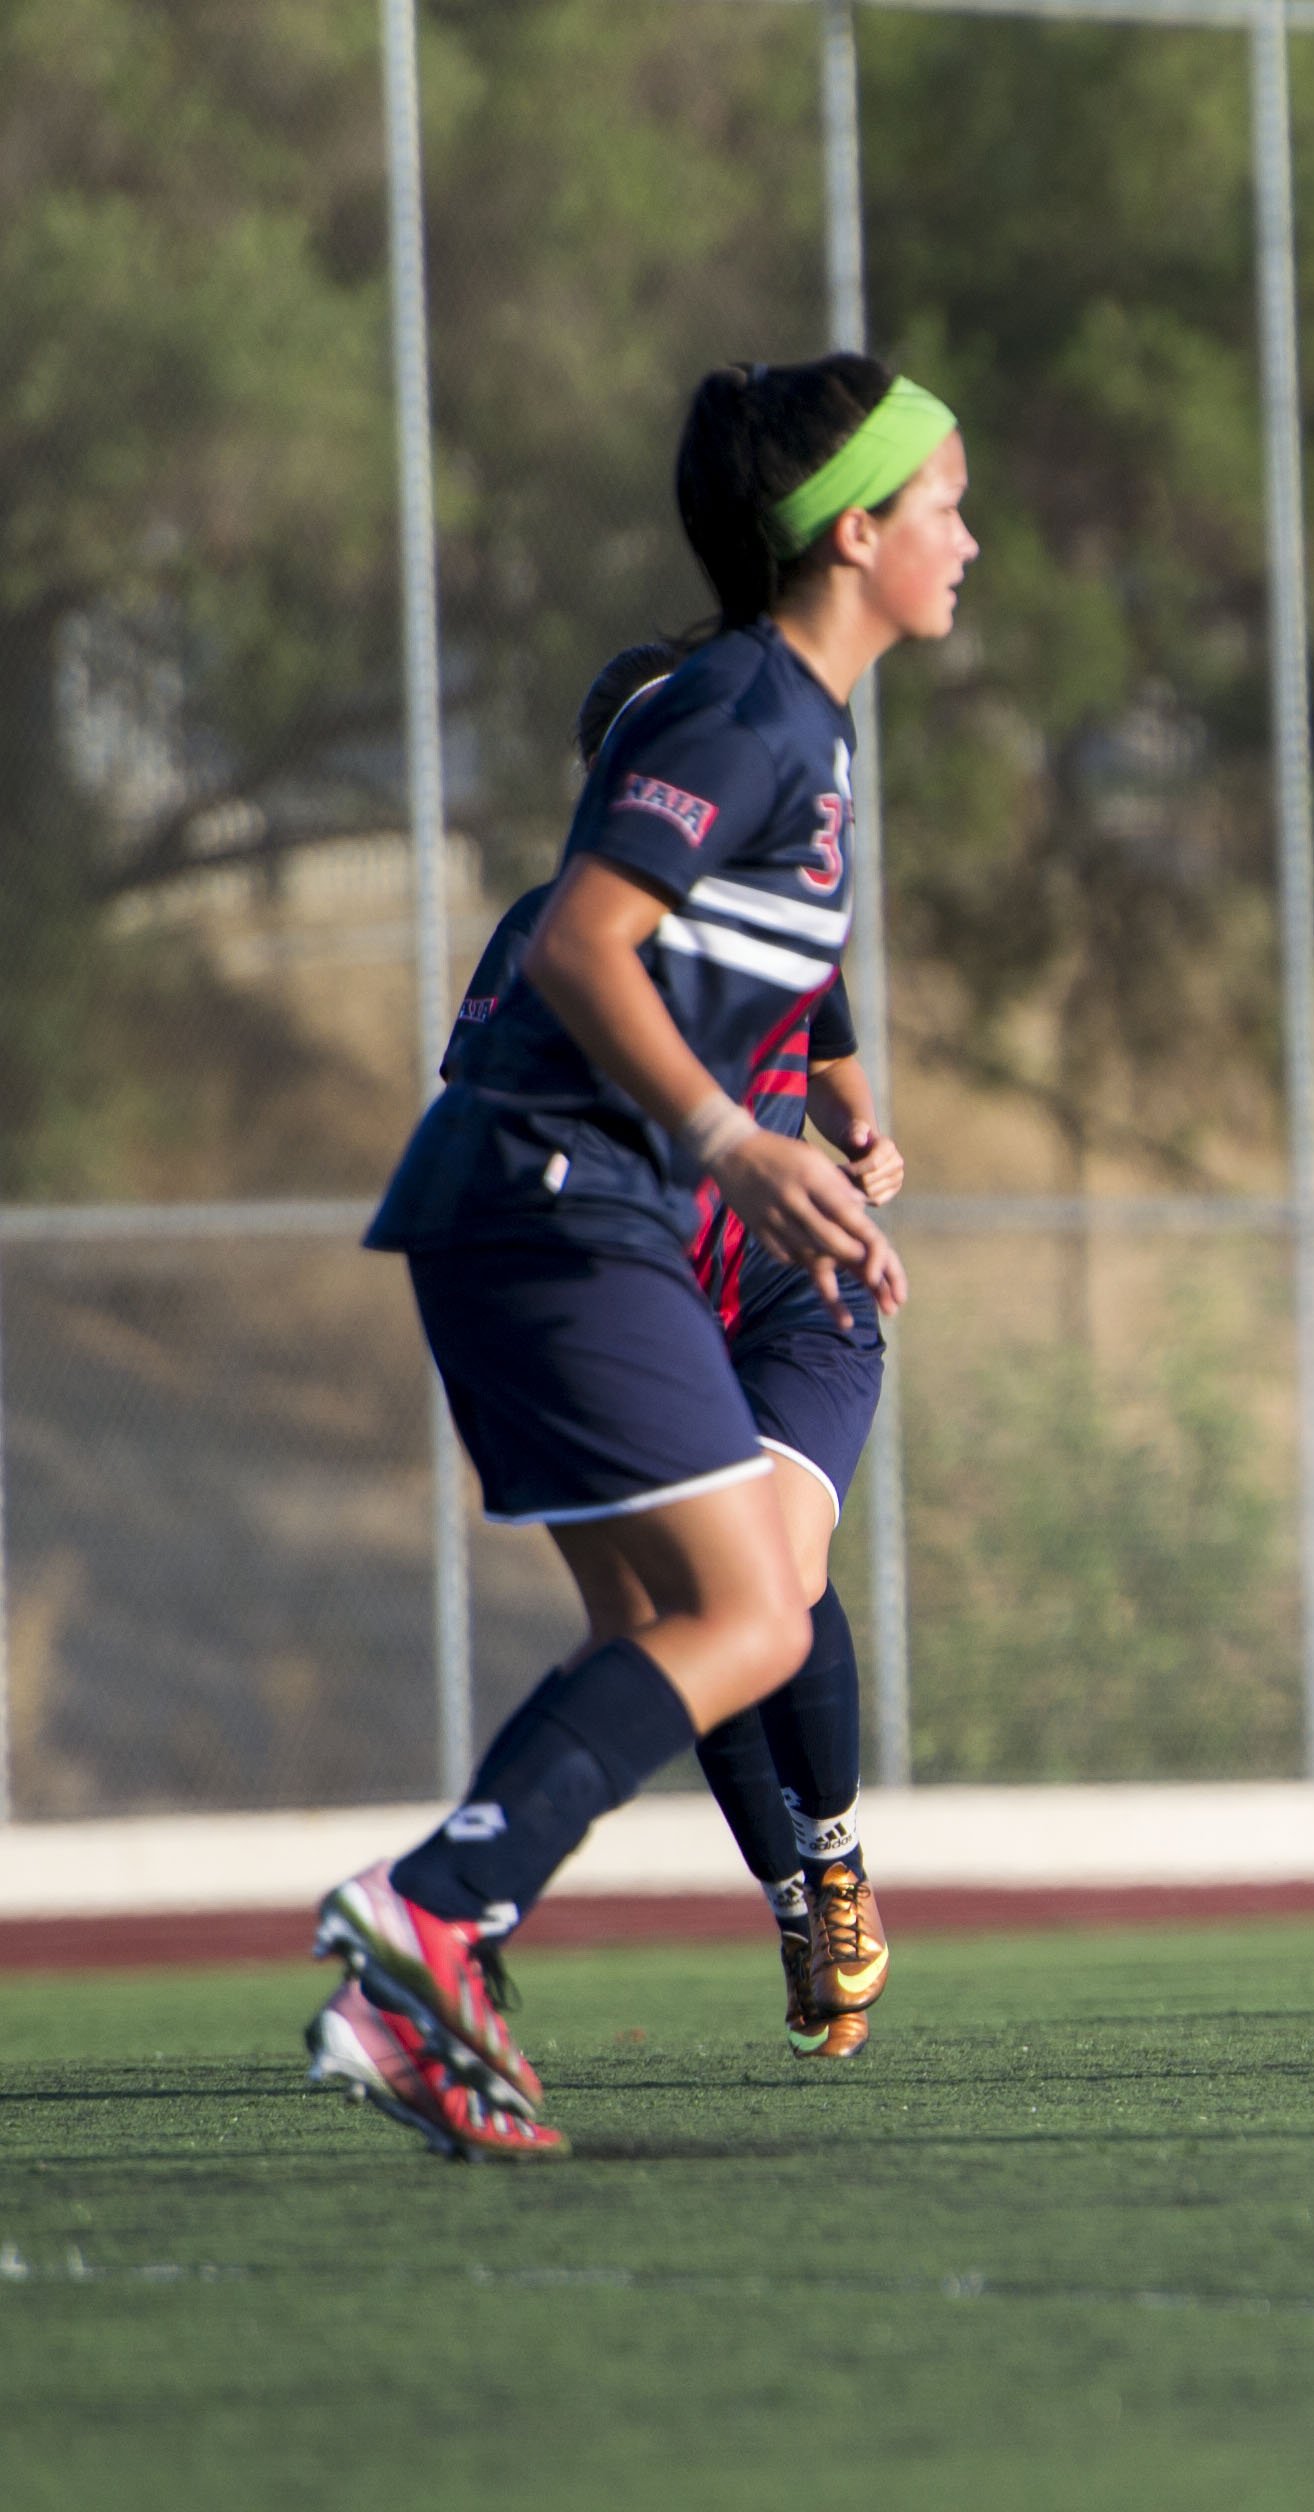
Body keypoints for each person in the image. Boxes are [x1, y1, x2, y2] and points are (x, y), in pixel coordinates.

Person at [313, 355, 975, 2159]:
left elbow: (728, 997)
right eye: (944, 505)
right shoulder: (747, 711)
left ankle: (418, 2000)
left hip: (524, 1200)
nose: (966, 542)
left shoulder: (795, 730)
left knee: (660, 1625)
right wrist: (731, 1144)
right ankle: (433, 1907)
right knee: (753, 1607)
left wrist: (814, 1162)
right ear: (856, 531)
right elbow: (581, 947)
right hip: (563, 1193)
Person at [428, 641, 910, 2065]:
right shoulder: (552, 934)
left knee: (775, 1568)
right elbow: (489, 1114)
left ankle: (829, 1864)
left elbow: (825, 1036)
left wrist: (863, 1139)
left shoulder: (775, 905)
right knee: (690, 1608)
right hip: (649, 1309)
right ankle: (791, 1892)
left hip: (788, 1292)